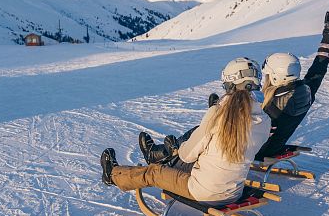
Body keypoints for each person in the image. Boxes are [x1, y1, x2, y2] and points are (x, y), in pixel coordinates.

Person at [140, 11, 329, 163]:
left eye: (267, 75)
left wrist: (219, 111)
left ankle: (162, 153)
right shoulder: (303, 91)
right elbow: (318, 70)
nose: (264, 78)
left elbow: (246, 125)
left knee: (205, 129)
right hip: (273, 144)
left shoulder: (276, 104)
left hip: (257, 149)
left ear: (276, 77)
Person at [100, 58, 271, 205]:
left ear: (230, 86)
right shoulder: (264, 121)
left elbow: (187, 155)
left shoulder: (217, 114)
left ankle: (113, 175)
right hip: (234, 194)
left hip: (203, 192)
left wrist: (179, 150)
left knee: (154, 172)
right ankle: (162, 156)